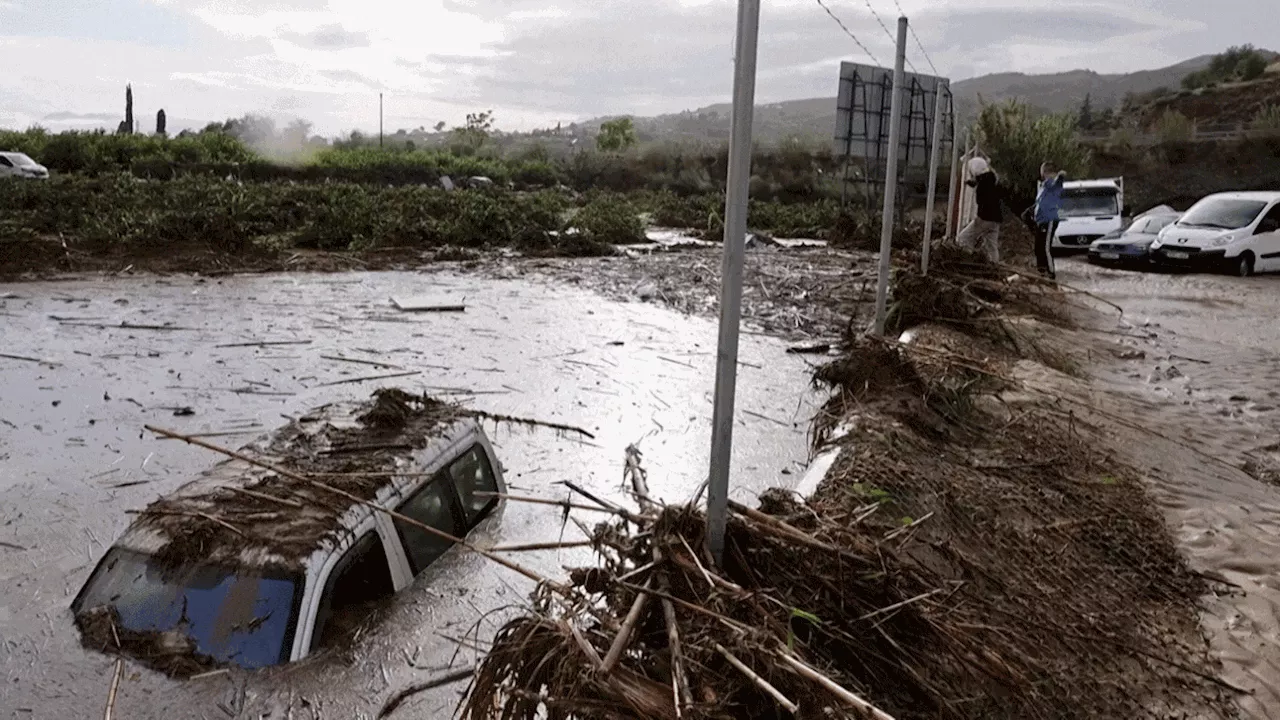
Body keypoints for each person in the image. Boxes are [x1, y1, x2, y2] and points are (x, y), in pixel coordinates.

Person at [955, 156, 1004, 262]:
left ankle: (967, 260)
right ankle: (994, 266)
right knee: (992, 247)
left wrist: (979, 218)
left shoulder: (983, 185)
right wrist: (971, 183)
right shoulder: (992, 179)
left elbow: (983, 201)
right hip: (996, 219)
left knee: (963, 238)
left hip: (985, 218)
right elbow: (981, 184)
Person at [1033, 161, 1067, 279]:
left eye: (1043, 172)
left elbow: (1058, 182)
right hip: (1041, 220)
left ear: (1046, 172)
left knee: (1045, 247)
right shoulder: (1044, 186)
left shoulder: (1053, 183)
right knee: (1038, 247)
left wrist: (1060, 176)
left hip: (1049, 220)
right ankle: (1041, 271)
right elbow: (1041, 201)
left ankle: (1050, 274)